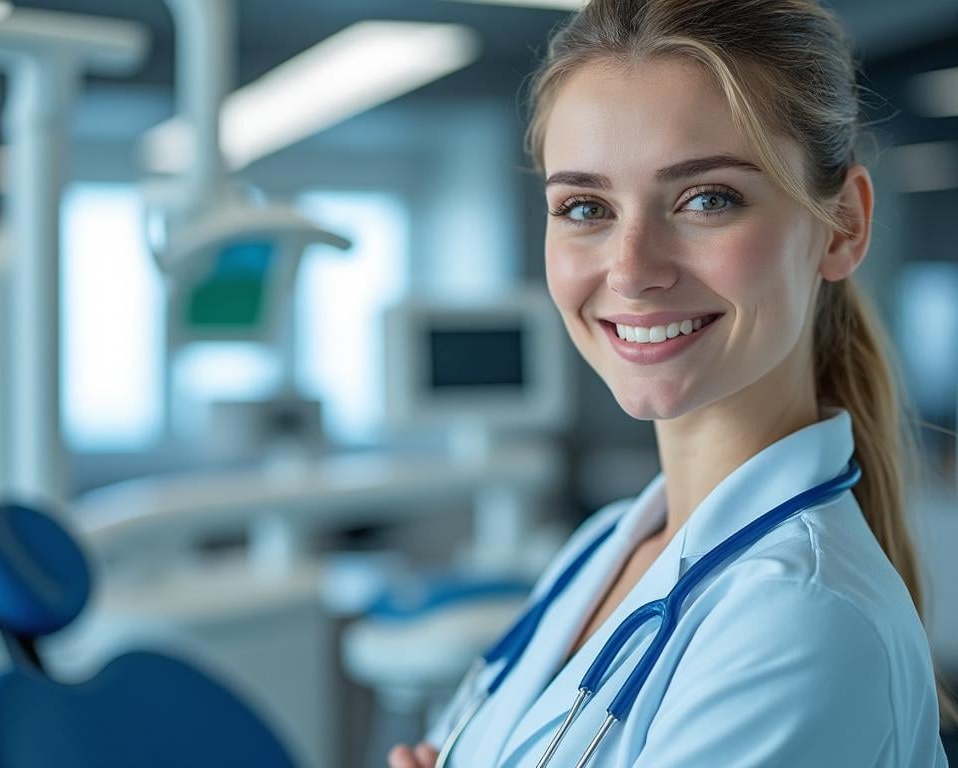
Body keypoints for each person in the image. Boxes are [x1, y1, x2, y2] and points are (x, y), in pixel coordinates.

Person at [389, 0, 954, 765]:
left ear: (843, 226)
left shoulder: (801, 621)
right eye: (585, 207)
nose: (631, 270)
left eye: (706, 199)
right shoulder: (606, 547)